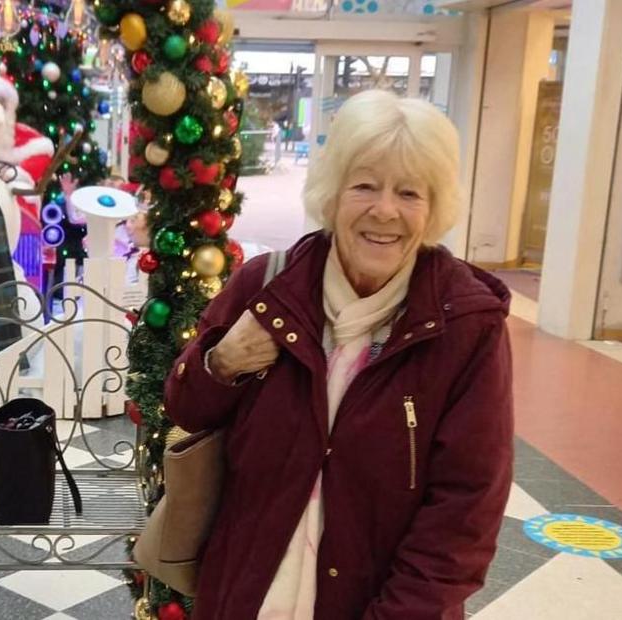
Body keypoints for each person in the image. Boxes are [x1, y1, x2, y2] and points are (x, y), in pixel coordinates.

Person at [164, 90, 513, 619]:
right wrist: (223, 363)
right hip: (246, 596)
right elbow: (185, 406)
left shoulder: (465, 325)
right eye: (365, 186)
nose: (385, 211)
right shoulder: (268, 287)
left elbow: (465, 511)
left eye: (410, 193)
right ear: (332, 193)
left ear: (435, 207)